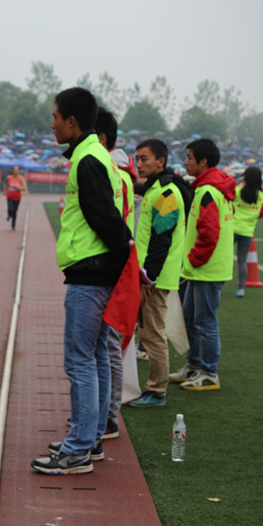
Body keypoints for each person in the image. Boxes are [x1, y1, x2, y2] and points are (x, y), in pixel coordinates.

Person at [31, 87, 132, 475]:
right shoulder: (94, 154)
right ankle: (89, 439)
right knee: (94, 357)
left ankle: (77, 451)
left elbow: (104, 216)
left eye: (55, 117)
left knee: (80, 360)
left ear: (71, 121)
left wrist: (120, 259)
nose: (52, 124)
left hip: (91, 273)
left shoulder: (88, 159)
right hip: (98, 270)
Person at [127, 139, 192, 407]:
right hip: (149, 274)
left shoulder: (166, 193)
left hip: (155, 277)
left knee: (152, 334)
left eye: (144, 159)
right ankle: (153, 388)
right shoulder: (156, 188)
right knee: (147, 333)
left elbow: (161, 239)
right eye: (137, 159)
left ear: (160, 161)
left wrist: (149, 276)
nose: (139, 164)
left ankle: (156, 391)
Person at [169, 139, 235, 391]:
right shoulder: (211, 187)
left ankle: (209, 372)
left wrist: (194, 259)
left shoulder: (208, 191)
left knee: (205, 323)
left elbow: (209, 234)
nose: (186, 162)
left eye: (189, 157)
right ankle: (195, 365)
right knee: (190, 318)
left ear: (203, 162)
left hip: (206, 269)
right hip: (201, 268)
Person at [94, 107, 137, 438]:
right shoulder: (115, 170)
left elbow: (112, 223)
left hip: (112, 267)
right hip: (113, 265)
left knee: (107, 344)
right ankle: (99, 414)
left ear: (101, 138)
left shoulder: (113, 172)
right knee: (103, 344)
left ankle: (108, 417)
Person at [232, 166, 263, 297]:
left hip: (231, 229)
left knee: (224, 258)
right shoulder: (261, 196)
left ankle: (218, 285)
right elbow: (260, 214)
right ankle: (242, 289)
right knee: (242, 261)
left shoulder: (237, 191)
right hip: (247, 232)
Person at [2, 165, 28, 230]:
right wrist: (5, 190)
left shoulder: (21, 178)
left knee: (15, 211)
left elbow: (25, 188)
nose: (15, 171)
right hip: (10, 195)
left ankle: (13, 225)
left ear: (19, 171)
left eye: (17, 170)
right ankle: (9, 215)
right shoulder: (9, 177)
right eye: (14, 169)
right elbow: (4, 183)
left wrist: (18, 187)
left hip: (17, 197)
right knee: (10, 209)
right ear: (12, 170)